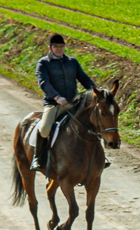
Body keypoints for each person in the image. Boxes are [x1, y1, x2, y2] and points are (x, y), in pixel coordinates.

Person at [33, 33, 96, 173]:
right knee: (44, 129)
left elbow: (84, 79)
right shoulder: (43, 63)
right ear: (50, 48)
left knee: (93, 122)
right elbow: (43, 83)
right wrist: (56, 97)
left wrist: (96, 91)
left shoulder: (72, 62)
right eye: (56, 47)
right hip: (54, 104)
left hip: (74, 102)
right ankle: (37, 158)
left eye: (62, 46)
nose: (60, 49)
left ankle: (99, 157)